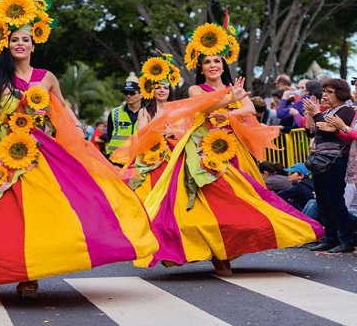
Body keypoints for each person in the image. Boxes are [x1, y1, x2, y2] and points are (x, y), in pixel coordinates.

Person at [0, 0, 158, 296]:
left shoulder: (48, 76)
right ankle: (22, 272)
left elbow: (62, 110)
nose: (20, 44)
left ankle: (45, 261)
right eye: (14, 39)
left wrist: (77, 131)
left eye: (25, 39)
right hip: (4, 150)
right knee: (2, 210)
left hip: (42, 148)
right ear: (7, 43)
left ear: (33, 43)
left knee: (54, 207)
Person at [125, 19, 322, 276]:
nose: (213, 65)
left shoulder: (234, 87)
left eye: (217, 61)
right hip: (202, 151)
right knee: (211, 203)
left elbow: (251, 108)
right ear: (201, 67)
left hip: (233, 149)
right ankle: (219, 257)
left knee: (245, 202)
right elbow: (204, 107)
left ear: (223, 64)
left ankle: (228, 251)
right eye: (207, 62)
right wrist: (231, 101)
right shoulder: (196, 88)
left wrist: (232, 109)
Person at [110, 53, 180, 199]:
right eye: (158, 87)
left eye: (165, 88)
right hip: (149, 157)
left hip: (172, 157)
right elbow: (142, 134)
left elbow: (182, 131)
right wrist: (161, 132)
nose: (162, 90)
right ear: (152, 90)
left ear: (170, 91)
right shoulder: (145, 111)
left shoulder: (176, 110)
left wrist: (172, 131)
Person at [308, 79, 357, 253]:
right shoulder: (328, 110)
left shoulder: (346, 110)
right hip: (321, 159)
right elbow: (313, 130)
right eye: (324, 91)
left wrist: (315, 114)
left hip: (336, 160)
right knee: (322, 200)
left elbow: (328, 128)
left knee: (335, 200)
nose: (325, 95)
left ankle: (346, 239)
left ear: (341, 93)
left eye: (329, 91)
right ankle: (330, 237)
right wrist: (310, 114)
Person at [105, 73, 142, 157]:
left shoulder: (148, 113)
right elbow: (109, 137)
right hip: (116, 161)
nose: (128, 96)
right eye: (125, 93)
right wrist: (108, 155)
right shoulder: (114, 113)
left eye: (132, 93)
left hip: (138, 161)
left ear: (141, 94)